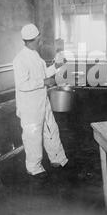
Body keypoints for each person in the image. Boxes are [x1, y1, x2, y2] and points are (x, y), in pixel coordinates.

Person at [13, 23, 68, 180]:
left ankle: (57, 158)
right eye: (39, 39)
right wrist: (44, 82)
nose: (41, 41)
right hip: (30, 106)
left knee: (51, 129)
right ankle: (34, 167)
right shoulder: (20, 59)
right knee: (33, 137)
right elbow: (23, 84)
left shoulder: (35, 55)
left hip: (42, 101)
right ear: (32, 40)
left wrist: (56, 66)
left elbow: (44, 73)